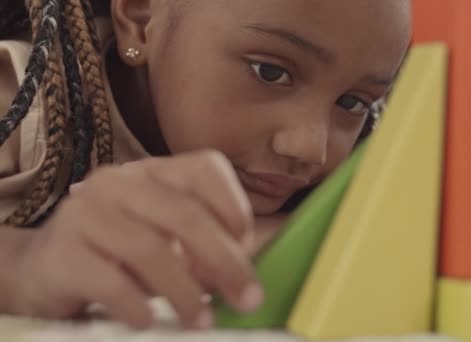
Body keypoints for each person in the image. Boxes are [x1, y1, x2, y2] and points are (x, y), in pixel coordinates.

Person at [0, 0, 410, 330]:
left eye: (352, 103)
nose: (310, 147)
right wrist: (25, 263)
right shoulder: (21, 99)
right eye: (270, 72)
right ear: (142, 20)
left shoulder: (372, 158)